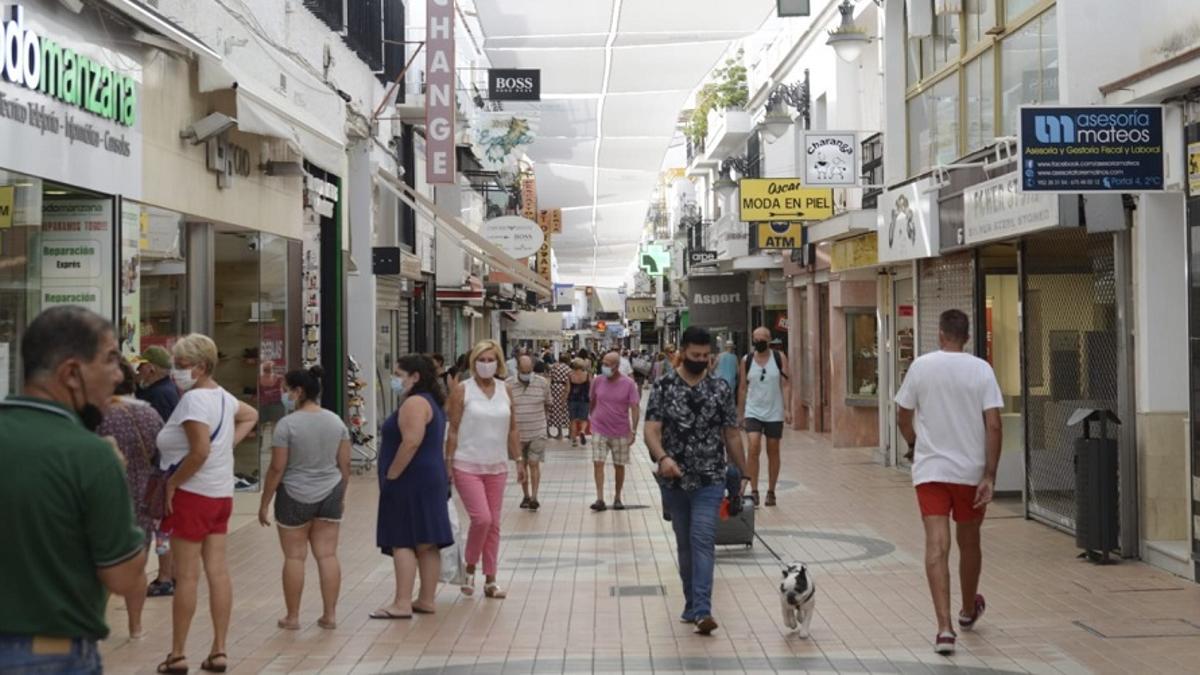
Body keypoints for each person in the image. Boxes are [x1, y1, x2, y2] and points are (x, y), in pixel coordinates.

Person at [0, 307, 147, 673]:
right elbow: (124, 577)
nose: (118, 375)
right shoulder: (91, 456)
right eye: (110, 360)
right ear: (70, 373)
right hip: (50, 655)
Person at [896, 309, 1002, 656]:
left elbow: (903, 413)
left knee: (936, 545)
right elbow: (994, 425)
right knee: (969, 542)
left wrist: (914, 444)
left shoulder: (922, 367)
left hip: (931, 472)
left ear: (940, 334)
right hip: (970, 473)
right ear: (967, 337)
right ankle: (969, 610)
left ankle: (944, 630)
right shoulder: (981, 369)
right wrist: (990, 474)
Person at [155, 334, 259, 675]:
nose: (176, 372)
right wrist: (225, 448)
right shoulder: (223, 397)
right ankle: (219, 650)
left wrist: (173, 482)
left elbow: (198, 451)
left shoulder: (194, 400)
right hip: (219, 494)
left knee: (186, 577)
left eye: (181, 366)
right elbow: (251, 415)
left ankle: (178, 653)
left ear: (200, 367)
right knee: (218, 571)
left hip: (191, 494)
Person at [644, 326, 748, 636]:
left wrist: (744, 472)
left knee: (702, 538)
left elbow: (731, 433)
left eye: (706, 356)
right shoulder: (663, 386)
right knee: (685, 543)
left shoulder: (719, 389)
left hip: (710, 478)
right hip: (674, 480)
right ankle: (691, 604)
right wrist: (663, 458)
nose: (701, 360)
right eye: (695, 356)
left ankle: (703, 610)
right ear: (682, 353)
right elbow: (651, 430)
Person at [257, 366, 351, 631]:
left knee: (295, 558)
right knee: (328, 555)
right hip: (330, 491)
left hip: (294, 494)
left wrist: (265, 502)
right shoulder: (336, 421)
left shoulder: (287, 425)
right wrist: (341, 493)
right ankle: (330, 615)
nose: (284, 395)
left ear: (298, 392)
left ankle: (293, 616)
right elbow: (344, 465)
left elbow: (277, 468)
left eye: (286, 390)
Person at [371, 355, 454, 619]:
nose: (395, 379)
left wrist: (392, 475)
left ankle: (402, 602)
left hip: (411, 479)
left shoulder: (415, 403)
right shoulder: (431, 402)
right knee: (427, 541)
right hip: (429, 478)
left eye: (398, 374)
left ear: (415, 376)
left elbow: (411, 442)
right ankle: (426, 599)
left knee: (402, 539)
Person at [445, 340, 525, 600]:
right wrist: (447, 461)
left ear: (499, 362)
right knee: (482, 519)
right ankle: (469, 566)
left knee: (494, 523)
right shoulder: (462, 390)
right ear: (473, 362)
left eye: (491, 360)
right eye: (482, 359)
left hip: (497, 465)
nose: (486, 364)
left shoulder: (505, 390)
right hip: (466, 463)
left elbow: (513, 428)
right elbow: (453, 428)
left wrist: (519, 459)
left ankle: (490, 578)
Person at [98, 359, 166, 640]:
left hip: (105, 497)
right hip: (144, 497)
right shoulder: (151, 416)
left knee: (98, 562)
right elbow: (163, 453)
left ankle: (96, 621)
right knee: (137, 563)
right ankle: (135, 626)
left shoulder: (98, 416)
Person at [136, 346, 182, 598]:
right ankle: (171, 572)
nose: (138, 370)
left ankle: (165, 576)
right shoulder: (167, 390)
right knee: (165, 526)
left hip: (160, 470)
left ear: (151, 367)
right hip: (166, 468)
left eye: (141, 365)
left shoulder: (158, 395)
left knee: (162, 528)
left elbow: (160, 434)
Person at [737, 326, 793, 507]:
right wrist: (740, 413)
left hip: (774, 411)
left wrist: (787, 408)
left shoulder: (779, 358)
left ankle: (771, 491)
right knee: (753, 446)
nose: (759, 342)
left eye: (763, 339)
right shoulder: (747, 360)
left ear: (769, 341)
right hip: (753, 411)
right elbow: (743, 388)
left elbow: (785, 385)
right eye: (756, 339)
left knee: (773, 448)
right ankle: (754, 490)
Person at [588, 350, 640, 511]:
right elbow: (593, 400)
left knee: (619, 465)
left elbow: (635, 407)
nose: (604, 367)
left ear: (617, 366)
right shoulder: (597, 381)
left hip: (620, 430)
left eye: (607, 364)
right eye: (603, 363)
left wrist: (634, 430)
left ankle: (617, 497)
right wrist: (590, 417)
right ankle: (600, 498)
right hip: (599, 427)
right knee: (598, 462)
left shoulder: (629, 384)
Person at [508, 355, 552, 511]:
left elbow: (548, 404)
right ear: (518, 369)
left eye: (529, 370)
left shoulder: (542, 383)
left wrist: (543, 422)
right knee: (522, 464)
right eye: (523, 370)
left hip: (537, 430)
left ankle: (534, 496)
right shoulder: (509, 385)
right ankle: (525, 495)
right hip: (517, 433)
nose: (526, 373)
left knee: (534, 463)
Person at [547, 353, 572, 439]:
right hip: (563, 387)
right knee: (562, 410)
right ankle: (562, 433)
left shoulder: (553, 367)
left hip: (553, 387)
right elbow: (569, 381)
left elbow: (549, 378)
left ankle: (550, 432)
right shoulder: (568, 369)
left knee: (552, 410)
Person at [567, 358, 592, 447]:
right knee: (584, 419)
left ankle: (574, 440)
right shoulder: (587, 375)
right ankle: (582, 431)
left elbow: (568, 389)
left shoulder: (570, 375)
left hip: (572, 399)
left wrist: (564, 400)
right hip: (584, 399)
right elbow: (591, 387)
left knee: (573, 420)